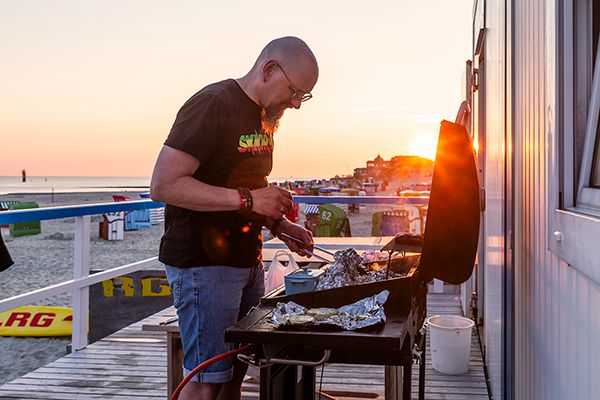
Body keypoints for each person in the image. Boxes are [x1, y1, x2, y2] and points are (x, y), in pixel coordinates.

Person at [150, 36, 318, 400]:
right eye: (294, 91)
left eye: (302, 96)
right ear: (269, 68)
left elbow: (248, 190)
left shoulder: (265, 117)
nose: (295, 104)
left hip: (246, 262)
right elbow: (164, 184)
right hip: (202, 264)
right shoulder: (213, 104)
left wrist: (280, 225)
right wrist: (250, 198)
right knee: (207, 379)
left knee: (234, 374)